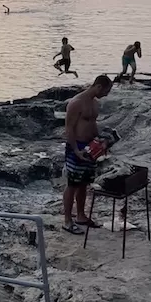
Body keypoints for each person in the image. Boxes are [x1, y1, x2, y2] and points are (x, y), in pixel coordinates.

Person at [62, 75, 113, 234]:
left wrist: (100, 143)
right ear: (98, 87)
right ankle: (67, 220)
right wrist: (76, 150)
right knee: (72, 184)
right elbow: (69, 128)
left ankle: (81, 215)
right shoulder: (76, 103)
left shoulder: (95, 103)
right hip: (76, 146)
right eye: (106, 91)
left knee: (84, 183)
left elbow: (92, 124)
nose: (107, 94)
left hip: (91, 147)